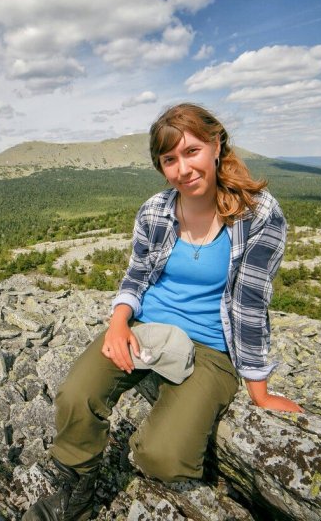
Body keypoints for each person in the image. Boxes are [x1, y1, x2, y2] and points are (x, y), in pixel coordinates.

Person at [23, 103, 302, 521]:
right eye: (169, 159)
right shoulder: (156, 210)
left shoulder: (258, 215)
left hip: (210, 346)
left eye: (191, 152)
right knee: (75, 396)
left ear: (216, 144)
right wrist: (118, 323)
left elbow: (250, 305)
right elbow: (135, 277)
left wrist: (259, 390)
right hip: (144, 327)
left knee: (163, 457)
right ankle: (77, 495)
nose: (182, 168)